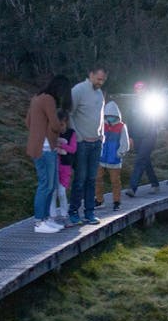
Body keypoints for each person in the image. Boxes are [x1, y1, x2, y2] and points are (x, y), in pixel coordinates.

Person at [25, 74, 71, 234]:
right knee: (46, 185)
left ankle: (45, 219)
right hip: (45, 148)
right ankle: (39, 222)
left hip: (37, 147)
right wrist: (59, 128)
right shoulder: (49, 100)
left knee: (48, 186)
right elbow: (55, 124)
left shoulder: (36, 98)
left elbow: (28, 122)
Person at [67, 66, 107, 226]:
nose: (100, 82)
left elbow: (100, 116)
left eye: (103, 79)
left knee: (92, 179)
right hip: (82, 143)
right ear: (90, 75)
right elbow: (69, 113)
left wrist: (102, 135)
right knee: (80, 179)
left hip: (96, 142)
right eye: (98, 78)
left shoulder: (99, 93)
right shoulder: (78, 90)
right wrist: (77, 136)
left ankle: (89, 212)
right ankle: (73, 212)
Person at [125, 81, 161, 197]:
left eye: (142, 89)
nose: (140, 91)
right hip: (136, 135)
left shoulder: (152, 102)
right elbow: (129, 121)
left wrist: (156, 129)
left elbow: (157, 118)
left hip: (149, 135)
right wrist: (129, 136)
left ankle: (132, 187)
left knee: (140, 159)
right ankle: (155, 184)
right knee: (145, 160)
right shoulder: (132, 104)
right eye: (137, 89)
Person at [99, 100, 130, 211]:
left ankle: (117, 202)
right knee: (97, 179)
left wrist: (120, 153)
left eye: (112, 116)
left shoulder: (121, 126)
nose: (110, 118)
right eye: (108, 115)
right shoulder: (101, 124)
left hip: (115, 159)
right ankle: (99, 200)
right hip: (101, 158)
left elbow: (125, 142)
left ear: (117, 115)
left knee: (115, 182)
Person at [49, 110, 77, 221]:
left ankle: (64, 213)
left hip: (65, 166)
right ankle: (52, 214)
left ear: (66, 122)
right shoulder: (52, 133)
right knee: (53, 191)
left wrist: (62, 145)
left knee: (61, 191)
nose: (60, 127)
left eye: (62, 124)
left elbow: (73, 149)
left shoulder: (71, 133)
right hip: (54, 165)